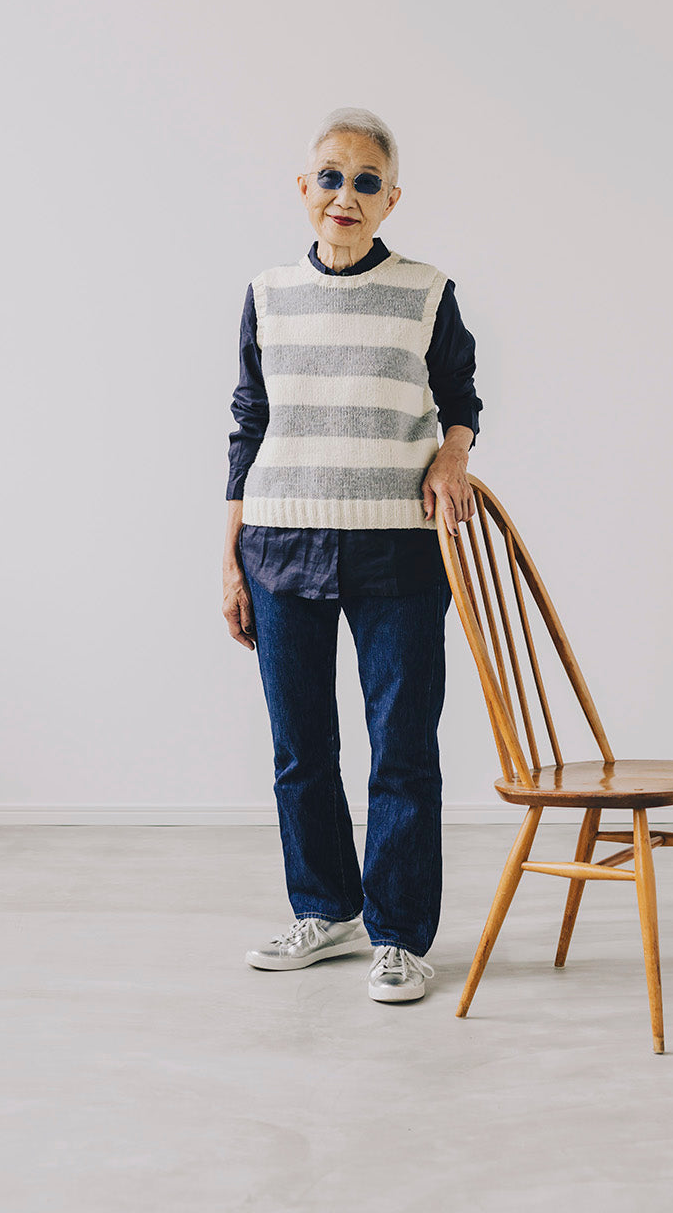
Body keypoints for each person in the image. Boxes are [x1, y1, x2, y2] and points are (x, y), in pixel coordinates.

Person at [222, 107, 482, 1003]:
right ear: (305, 188)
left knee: (401, 749)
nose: (346, 194)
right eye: (330, 177)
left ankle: (399, 936)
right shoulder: (267, 293)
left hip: (398, 549)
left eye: (366, 181)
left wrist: (451, 456)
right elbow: (247, 426)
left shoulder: (427, 291)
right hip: (278, 540)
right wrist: (230, 561)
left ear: (391, 198)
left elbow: (460, 397)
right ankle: (325, 909)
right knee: (299, 747)